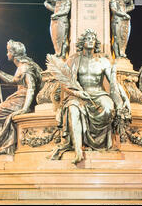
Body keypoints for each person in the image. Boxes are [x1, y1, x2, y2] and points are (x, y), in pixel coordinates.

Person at [49, 29, 131, 164]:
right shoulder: (74, 59)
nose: (91, 40)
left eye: (93, 38)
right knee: (73, 109)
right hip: (78, 94)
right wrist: (78, 93)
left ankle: (99, 144)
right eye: (88, 38)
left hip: (99, 93)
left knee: (108, 108)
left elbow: (114, 83)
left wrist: (125, 98)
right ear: (82, 42)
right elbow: (65, 84)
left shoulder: (103, 61)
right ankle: (78, 150)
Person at [0, 40, 43, 155]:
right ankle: (3, 144)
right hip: (18, 99)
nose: (7, 54)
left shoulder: (24, 67)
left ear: (13, 53)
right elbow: (12, 80)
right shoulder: (22, 66)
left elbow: (31, 88)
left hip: (21, 101)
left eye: (8, 51)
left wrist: (24, 108)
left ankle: (4, 145)